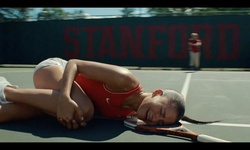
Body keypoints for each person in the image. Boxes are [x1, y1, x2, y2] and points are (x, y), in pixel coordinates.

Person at [0, 57, 216, 130]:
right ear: (157, 92)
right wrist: (65, 99)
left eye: (161, 121)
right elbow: (74, 64)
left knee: (9, 115)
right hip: (55, 70)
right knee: (84, 111)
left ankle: (9, 97)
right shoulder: (125, 80)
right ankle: (6, 90)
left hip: (57, 97)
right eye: (160, 110)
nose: (155, 118)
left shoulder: (131, 117)